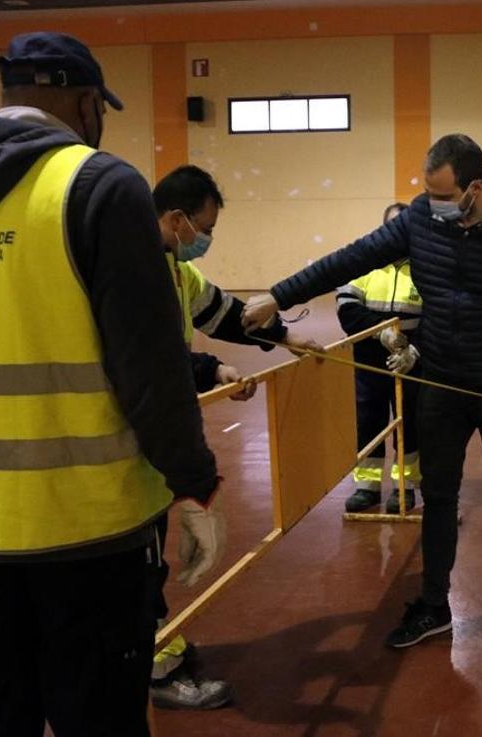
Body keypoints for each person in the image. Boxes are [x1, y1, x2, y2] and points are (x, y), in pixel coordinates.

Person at [0, 33, 226, 736]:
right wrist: (192, 484)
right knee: (98, 717)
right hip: (91, 526)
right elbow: (150, 368)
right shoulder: (99, 185)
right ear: (83, 101)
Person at [243, 133, 482, 658]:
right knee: (438, 497)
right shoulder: (420, 218)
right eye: (428, 193)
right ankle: (433, 605)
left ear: (477, 188)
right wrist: (278, 295)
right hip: (441, 380)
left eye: (444, 196)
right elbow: (350, 259)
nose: (433, 205)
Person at [147, 164, 320, 710]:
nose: (206, 240)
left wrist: (286, 335)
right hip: (135, 435)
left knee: (144, 553)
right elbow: (149, 356)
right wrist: (206, 370)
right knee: (137, 560)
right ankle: (157, 668)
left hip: (156, 431)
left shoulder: (177, 268)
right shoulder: (131, 267)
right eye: (204, 228)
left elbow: (226, 315)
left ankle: (151, 648)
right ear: (176, 219)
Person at [337, 202, 423, 515]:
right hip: (369, 360)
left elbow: (439, 318)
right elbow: (346, 307)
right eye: (391, 228)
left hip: (411, 361)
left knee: (410, 422)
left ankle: (405, 485)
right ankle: (367, 486)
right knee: (368, 420)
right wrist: (380, 332)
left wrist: (415, 350)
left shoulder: (426, 268)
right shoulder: (366, 266)